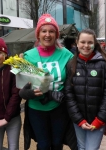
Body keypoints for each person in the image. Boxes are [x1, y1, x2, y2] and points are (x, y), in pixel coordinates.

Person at [19, 14, 77, 150]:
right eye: (43, 31)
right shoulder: (28, 56)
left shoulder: (67, 55)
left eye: (51, 31)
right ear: (38, 34)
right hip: (36, 109)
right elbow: (22, 84)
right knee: (43, 145)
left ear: (57, 35)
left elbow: (74, 81)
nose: (47, 34)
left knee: (57, 143)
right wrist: (27, 93)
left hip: (59, 108)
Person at [64, 28, 106, 150]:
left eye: (90, 42)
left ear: (95, 43)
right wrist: (79, 120)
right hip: (79, 120)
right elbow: (69, 94)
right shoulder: (71, 64)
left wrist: (100, 119)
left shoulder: (103, 63)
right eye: (83, 42)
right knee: (81, 147)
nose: (86, 45)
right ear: (77, 42)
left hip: (97, 120)